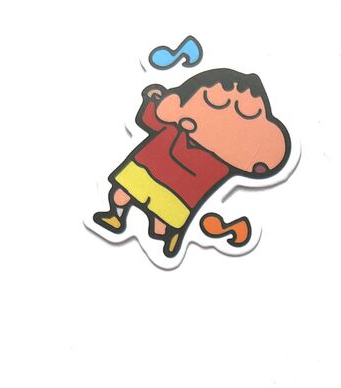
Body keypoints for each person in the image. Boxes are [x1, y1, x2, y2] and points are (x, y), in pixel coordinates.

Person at [93, 68, 290, 257]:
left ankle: (169, 236)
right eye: (212, 103)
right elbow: (150, 120)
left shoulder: (220, 164)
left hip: (178, 194)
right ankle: (116, 217)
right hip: (143, 170)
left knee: (160, 223)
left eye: (245, 116)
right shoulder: (172, 128)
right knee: (121, 195)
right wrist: (152, 101)